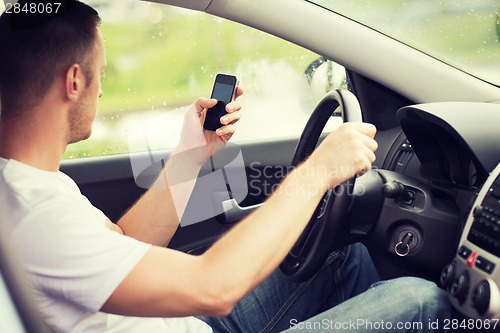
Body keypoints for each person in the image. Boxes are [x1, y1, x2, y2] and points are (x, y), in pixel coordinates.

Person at [0, 1, 450, 332]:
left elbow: (124, 243)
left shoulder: (31, 185)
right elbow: (212, 287)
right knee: (423, 301)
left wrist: (191, 152)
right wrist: (317, 173)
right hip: (199, 310)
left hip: (185, 321)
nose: (100, 92)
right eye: (100, 74)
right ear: (74, 81)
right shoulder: (33, 215)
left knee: (339, 255)